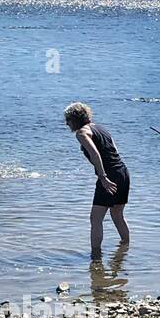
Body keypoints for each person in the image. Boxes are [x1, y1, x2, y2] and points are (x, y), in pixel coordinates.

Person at [63, 102, 131, 259]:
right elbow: (115, 151)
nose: (67, 124)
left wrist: (103, 177)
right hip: (123, 172)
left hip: (109, 175)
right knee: (117, 215)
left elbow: (95, 154)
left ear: (75, 119)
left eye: (68, 120)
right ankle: (125, 250)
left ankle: (95, 258)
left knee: (95, 218)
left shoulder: (81, 133)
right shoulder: (101, 128)